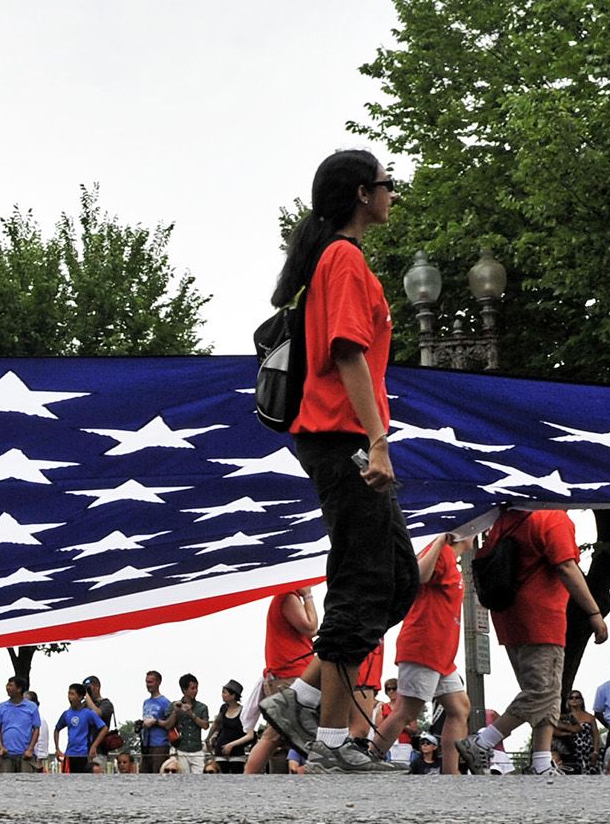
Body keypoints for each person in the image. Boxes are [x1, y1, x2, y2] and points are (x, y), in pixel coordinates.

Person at [257, 152, 420, 775]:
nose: (392, 195)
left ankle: (301, 696)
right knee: (362, 579)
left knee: (399, 579)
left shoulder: (338, 258)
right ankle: (329, 742)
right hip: (344, 439)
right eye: (386, 185)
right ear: (361, 193)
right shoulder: (344, 260)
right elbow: (349, 353)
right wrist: (377, 443)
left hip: (346, 440)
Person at [459, 508, 608, 774]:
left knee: (545, 690)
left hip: (509, 617)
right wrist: (594, 612)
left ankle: (541, 762)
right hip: (541, 617)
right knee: (543, 691)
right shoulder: (552, 517)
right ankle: (483, 741)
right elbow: (565, 565)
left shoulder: (508, 518)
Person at [369, 534, 471, 773]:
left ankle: (451, 771)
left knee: (460, 707)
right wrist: (438, 542)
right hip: (424, 646)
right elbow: (419, 576)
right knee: (406, 711)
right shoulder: (441, 552)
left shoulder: (450, 561)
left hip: (441, 654)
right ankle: (371, 758)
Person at [245, 586, 317, 773]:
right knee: (276, 734)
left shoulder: (284, 598)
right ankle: (248, 778)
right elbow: (310, 627)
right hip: (290, 675)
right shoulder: (287, 597)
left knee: (277, 733)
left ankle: (249, 777)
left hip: (286, 674)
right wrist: (308, 595)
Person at [0, 677, 41, 774]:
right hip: (6, 755)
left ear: (19, 689)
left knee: (26, 784)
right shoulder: (1, 707)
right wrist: (1, 747)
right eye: (7, 685)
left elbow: (36, 729)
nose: (7, 687)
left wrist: (30, 749)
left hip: (25, 755)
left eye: (11, 685)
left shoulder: (31, 707)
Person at [54, 683, 106, 774]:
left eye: (73, 694)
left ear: (80, 697)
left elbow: (104, 728)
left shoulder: (88, 713)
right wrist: (57, 748)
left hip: (84, 754)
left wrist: (94, 746)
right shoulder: (67, 714)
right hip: (69, 755)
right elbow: (57, 729)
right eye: (69, 694)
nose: (70, 697)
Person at [164, 673, 208, 773]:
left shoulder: (202, 707)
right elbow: (168, 726)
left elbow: (205, 725)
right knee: (183, 780)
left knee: (199, 779)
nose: (195, 691)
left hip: (197, 750)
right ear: (184, 690)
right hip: (180, 749)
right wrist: (175, 712)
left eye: (196, 688)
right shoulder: (175, 705)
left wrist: (192, 715)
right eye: (192, 688)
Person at [553, 690, 603, 774]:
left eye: (577, 697)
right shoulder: (563, 717)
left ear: (582, 700)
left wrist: (595, 751)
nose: (574, 699)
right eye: (571, 698)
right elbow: (554, 731)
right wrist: (567, 733)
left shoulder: (590, 717)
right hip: (570, 751)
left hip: (587, 750)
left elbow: (595, 735)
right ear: (568, 701)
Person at [205, 680, 249, 773]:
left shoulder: (243, 711)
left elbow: (248, 734)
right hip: (221, 749)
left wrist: (232, 745)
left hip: (237, 751)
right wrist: (208, 737)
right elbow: (216, 723)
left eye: (225, 692)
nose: (222, 695)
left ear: (233, 695)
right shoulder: (223, 708)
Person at [139, 670, 172, 773]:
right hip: (146, 744)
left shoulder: (165, 702)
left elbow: (170, 723)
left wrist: (155, 722)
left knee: (158, 773)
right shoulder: (146, 702)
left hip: (160, 745)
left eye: (150, 682)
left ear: (158, 682)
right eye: (146, 682)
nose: (148, 685)